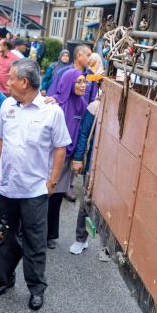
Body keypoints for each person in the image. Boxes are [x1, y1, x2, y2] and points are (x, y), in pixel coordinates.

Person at [0, 59, 70, 309]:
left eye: (12, 77)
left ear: (24, 82)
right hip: (7, 187)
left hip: (35, 190)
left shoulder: (51, 111)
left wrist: (53, 180)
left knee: (35, 240)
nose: (7, 81)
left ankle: (36, 287)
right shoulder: (7, 105)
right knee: (5, 237)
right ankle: (5, 278)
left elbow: (60, 147)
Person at [46, 69, 89, 248]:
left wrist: (76, 157)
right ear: (69, 82)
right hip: (50, 156)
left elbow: (81, 133)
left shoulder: (82, 104)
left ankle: (49, 235)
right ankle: (31, 232)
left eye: (84, 82)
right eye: (78, 82)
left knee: (55, 198)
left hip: (67, 156)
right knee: (42, 195)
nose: (82, 85)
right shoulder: (54, 103)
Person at [69, 97, 100, 254]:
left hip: (114, 167)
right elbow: (84, 134)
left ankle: (100, 243)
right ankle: (82, 238)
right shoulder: (95, 106)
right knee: (86, 204)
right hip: (94, 164)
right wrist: (78, 158)